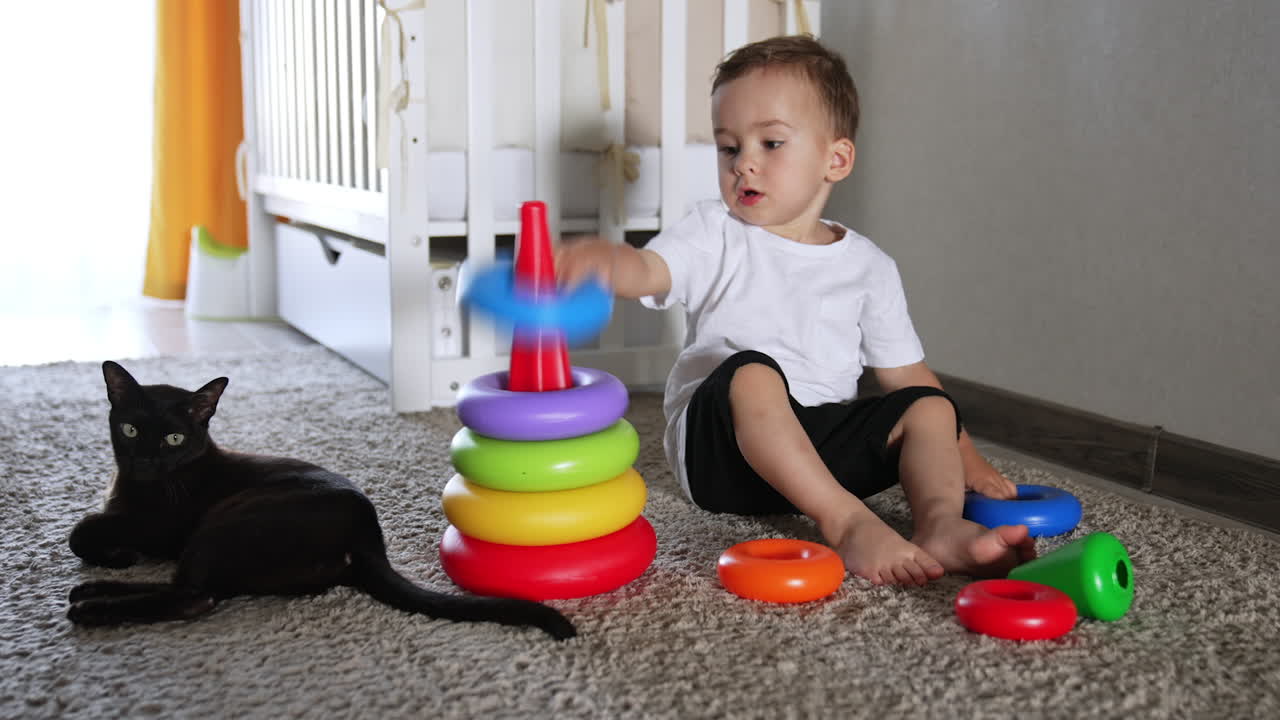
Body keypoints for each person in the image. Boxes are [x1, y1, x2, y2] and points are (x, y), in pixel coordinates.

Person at [556, 35, 1034, 586]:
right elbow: (651, 271)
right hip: (722, 454)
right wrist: (610, 261)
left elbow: (905, 373)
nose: (744, 166)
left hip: (817, 455)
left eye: (771, 144)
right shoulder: (714, 231)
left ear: (835, 158)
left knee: (927, 406)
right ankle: (846, 520)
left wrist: (965, 456)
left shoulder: (869, 267)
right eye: (729, 148)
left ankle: (941, 523)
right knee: (753, 371)